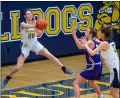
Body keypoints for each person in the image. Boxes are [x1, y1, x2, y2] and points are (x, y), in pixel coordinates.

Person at [1, 9, 75, 89]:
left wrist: (37, 26)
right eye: (28, 14)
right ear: (25, 16)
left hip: (35, 43)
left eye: (30, 14)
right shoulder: (22, 24)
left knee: (50, 55)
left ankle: (64, 69)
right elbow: (26, 26)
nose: (30, 15)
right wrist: (34, 25)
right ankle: (7, 78)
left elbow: (39, 33)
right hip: (26, 46)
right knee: (18, 67)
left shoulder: (35, 23)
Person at [82, 26, 120, 98]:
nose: (99, 33)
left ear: (103, 34)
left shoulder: (103, 44)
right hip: (116, 68)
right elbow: (105, 45)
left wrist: (86, 45)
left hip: (115, 70)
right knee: (115, 91)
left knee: (112, 92)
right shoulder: (111, 41)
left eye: (100, 32)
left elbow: (92, 53)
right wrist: (99, 41)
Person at [72, 28, 105, 98]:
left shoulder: (90, 42)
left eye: (86, 31)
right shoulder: (93, 41)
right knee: (91, 81)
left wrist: (75, 36)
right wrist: (75, 36)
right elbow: (80, 46)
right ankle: (101, 96)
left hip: (93, 66)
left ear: (90, 34)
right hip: (98, 65)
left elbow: (80, 46)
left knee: (75, 83)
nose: (85, 32)